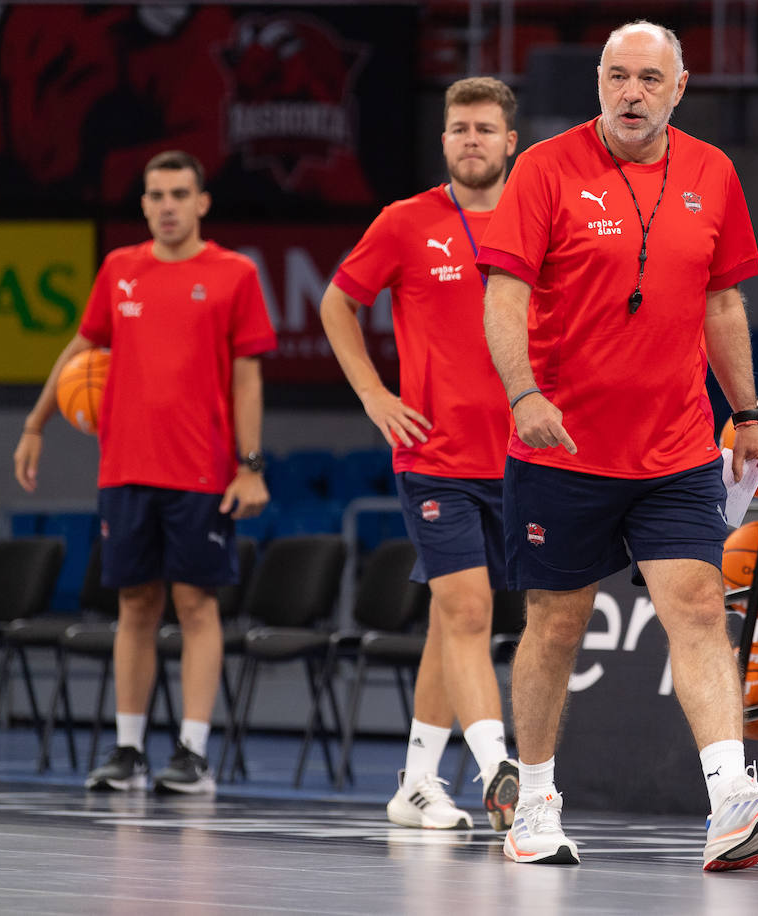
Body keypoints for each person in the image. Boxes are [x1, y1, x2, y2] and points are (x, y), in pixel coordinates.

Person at [478, 22, 758, 870]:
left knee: (701, 606)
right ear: (599, 82)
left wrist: (746, 416)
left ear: (680, 86)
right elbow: (504, 297)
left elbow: (724, 304)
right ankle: (537, 801)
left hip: (673, 451)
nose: (632, 93)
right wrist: (523, 395)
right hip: (562, 447)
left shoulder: (713, 172)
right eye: (618, 77)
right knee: (556, 625)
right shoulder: (545, 168)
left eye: (649, 79)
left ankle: (731, 801)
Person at [13, 150, 276, 794]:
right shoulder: (119, 269)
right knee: (133, 604)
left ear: (201, 202)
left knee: (194, 604)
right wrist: (34, 423)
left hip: (201, 471)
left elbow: (248, 378)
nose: (167, 206)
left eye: (179, 194)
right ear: (144, 205)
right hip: (125, 469)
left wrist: (250, 467)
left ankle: (192, 752)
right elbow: (82, 350)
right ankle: (128, 749)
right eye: (156, 195)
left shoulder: (234, 274)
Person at [318, 77, 522, 832]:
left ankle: (417, 782)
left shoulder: (538, 222)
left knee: (450, 618)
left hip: (520, 459)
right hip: (435, 455)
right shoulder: (405, 222)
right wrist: (373, 394)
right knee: (468, 609)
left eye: (486, 128)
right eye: (459, 127)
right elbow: (338, 302)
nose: (472, 138)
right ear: (444, 141)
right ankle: (503, 767)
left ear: (510, 143)